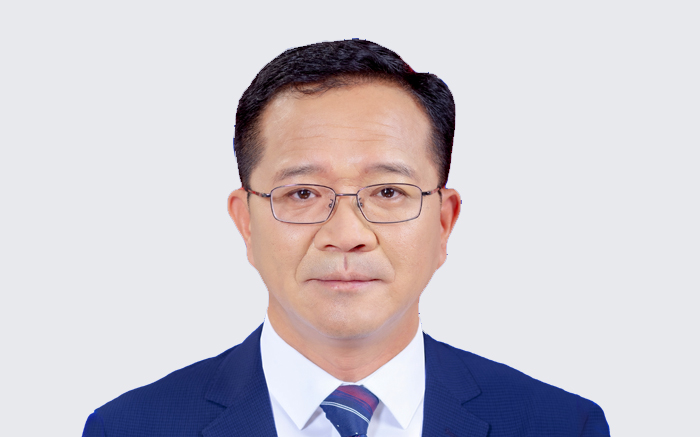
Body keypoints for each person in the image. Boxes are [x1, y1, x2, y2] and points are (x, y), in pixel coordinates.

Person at [82, 39, 609, 437]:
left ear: (443, 223)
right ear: (246, 222)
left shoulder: (561, 426)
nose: (347, 235)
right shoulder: (129, 429)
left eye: (388, 191)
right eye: (303, 194)